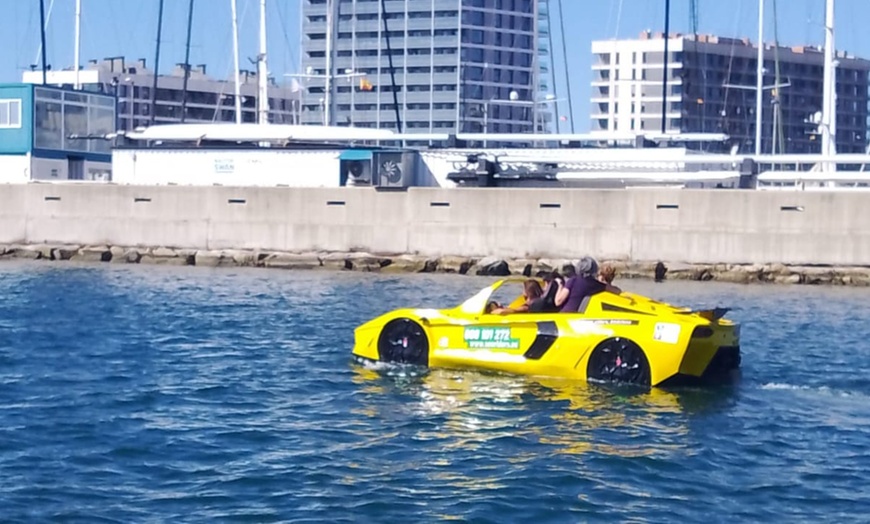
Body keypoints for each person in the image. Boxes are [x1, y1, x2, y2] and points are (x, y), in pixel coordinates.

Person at [555, 256, 621, 313]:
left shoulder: (573, 280)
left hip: (565, 316)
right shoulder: (595, 284)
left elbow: (558, 301)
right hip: (580, 317)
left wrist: (560, 285)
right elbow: (617, 291)